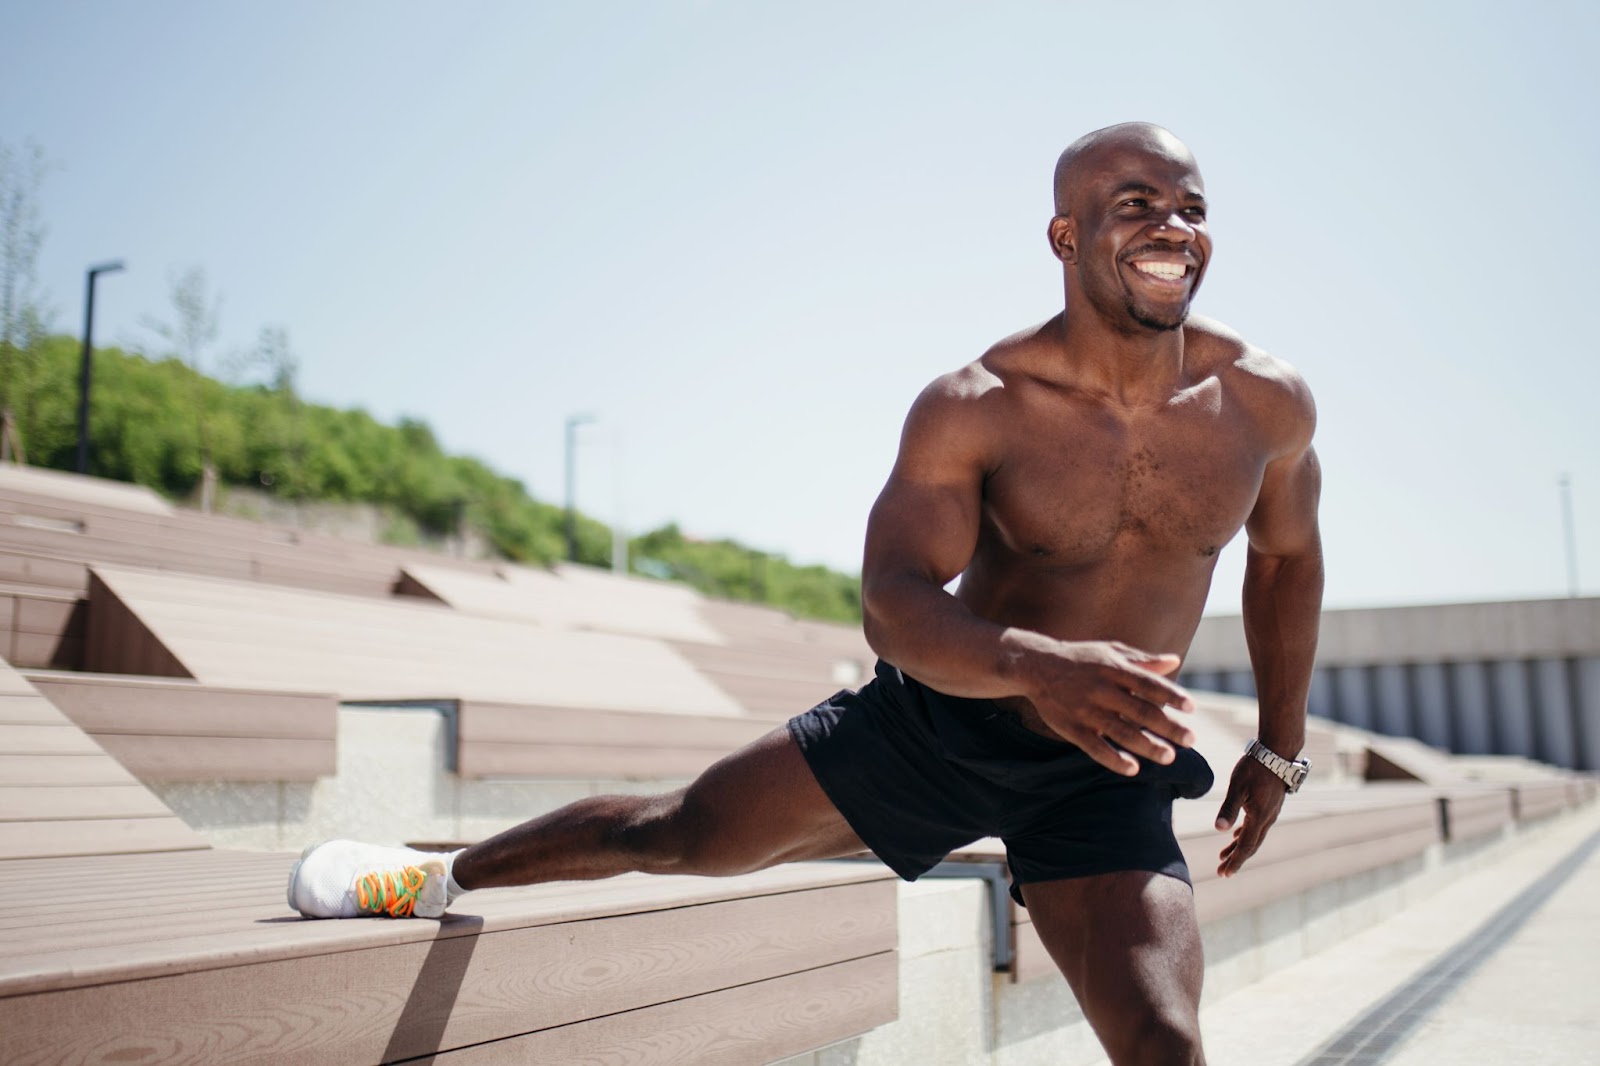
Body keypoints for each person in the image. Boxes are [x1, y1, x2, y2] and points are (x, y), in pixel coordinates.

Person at [288, 121, 1322, 1066]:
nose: (1172, 228)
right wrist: (1030, 663)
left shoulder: (1262, 403)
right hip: (937, 723)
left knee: (1164, 1044)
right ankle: (432, 875)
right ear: (1064, 235)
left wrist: (1278, 744)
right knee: (671, 831)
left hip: (1103, 769)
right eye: (1136, 204)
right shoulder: (979, 406)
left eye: (1190, 208)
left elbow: (1283, 559)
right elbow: (892, 597)